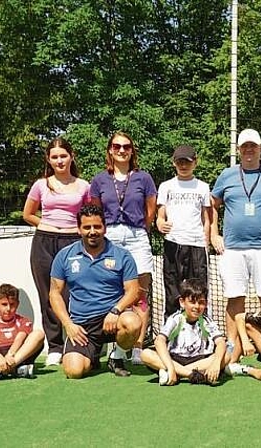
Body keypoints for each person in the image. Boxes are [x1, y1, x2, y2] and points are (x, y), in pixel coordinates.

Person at [211, 128, 261, 364]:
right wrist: (214, 234)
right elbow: (213, 205)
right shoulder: (227, 175)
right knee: (234, 297)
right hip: (232, 248)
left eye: (253, 146)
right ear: (238, 149)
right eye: (244, 146)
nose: (249, 150)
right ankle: (232, 347)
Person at [49, 204, 142, 379]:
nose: (93, 231)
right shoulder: (64, 256)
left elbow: (133, 290)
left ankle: (117, 357)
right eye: (87, 227)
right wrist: (68, 325)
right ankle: (92, 356)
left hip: (112, 319)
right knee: (74, 371)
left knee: (133, 322)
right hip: (82, 325)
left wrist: (116, 310)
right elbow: (54, 293)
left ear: (105, 228)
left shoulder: (122, 255)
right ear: (79, 229)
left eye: (97, 226)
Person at [22, 137, 90, 367]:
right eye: (55, 157)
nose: (59, 160)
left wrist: (77, 231)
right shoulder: (41, 184)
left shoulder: (83, 185)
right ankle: (55, 347)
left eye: (63, 155)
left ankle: (76, 343)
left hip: (73, 242)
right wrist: (46, 225)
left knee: (73, 295)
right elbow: (28, 214)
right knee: (48, 295)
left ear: (72, 157)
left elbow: (89, 216)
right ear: (48, 160)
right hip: (44, 242)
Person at [90, 132, 157, 364]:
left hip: (137, 235)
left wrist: (140, 229)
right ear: (109, 150)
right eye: (117, 146)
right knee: (111, 287)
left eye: (126, 146)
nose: (121, 150)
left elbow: (150, 210)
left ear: (132, 150)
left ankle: (137, 347)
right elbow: (96, 212)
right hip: (110, 235)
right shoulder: (99, 180)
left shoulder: (143, 178)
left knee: (140, 292)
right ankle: (113, 345)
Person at [156, 145, 212, 320]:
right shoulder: (166, 186)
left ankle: (201, 332)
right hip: (173, 243)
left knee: (198, 291)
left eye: (187, 162)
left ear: (195, 162)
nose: (184, 166)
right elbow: (160, 215)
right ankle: (172, 333)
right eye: (180, 162)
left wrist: (206, 244)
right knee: (173, 289)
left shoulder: (202, 187)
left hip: (196, 245)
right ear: (174, 163)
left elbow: (206, 219)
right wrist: (160, 223)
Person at [140, 278, 228, 386]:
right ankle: (192, 375)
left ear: (206, 304)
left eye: (201, 303)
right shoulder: (175, 319)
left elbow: (220, 342)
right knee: (145, 354)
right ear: (182, 302)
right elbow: (159, 341)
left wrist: (216, 363)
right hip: (176, 359)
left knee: (227, 355)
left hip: (200, 360)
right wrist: (171, 366)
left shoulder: (207, 321)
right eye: (192, 302)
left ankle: (177, 374)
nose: (196, 306)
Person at [0, 284, 45, 379]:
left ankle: (8, 368)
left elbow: (20, 338)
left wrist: (11, 355)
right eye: (4, 304)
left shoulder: (23, 321)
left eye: (12, 304)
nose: (8, 309)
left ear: (17, 304)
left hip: (17, 354)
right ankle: (19, 370)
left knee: (39, 334)